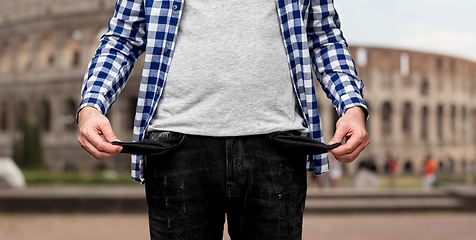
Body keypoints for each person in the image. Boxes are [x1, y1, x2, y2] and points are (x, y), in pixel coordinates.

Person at [76, 0, 368, 239]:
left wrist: (352, 106)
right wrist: (91, 105)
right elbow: (123, 38)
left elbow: (323, 37)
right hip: (176, 144)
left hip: (276, 144)